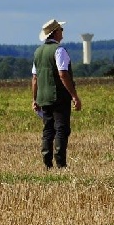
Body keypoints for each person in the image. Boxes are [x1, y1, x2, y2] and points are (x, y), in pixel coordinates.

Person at [32, 19, 82, 169]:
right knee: (62, 129)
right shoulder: (59, 50)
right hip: (59, 97)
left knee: (48, 129)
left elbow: (34, 78)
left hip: (43, 97)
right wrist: (74, 95)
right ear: (55, 32)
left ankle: (47, 163)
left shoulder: (38, 52)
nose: (63, 32)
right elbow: (63, 74)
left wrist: (34, 99)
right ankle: (61, 163)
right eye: (61, 29)